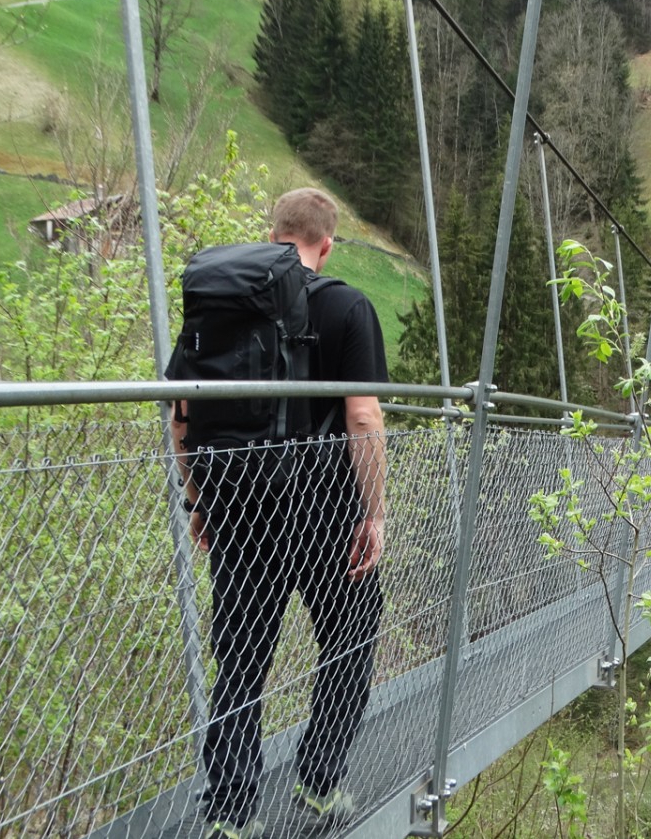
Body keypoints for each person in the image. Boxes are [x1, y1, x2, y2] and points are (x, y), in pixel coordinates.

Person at [173, 188, 389, 839]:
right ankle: (317, 780)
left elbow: (181, 415)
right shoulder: (349, 305)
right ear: (327, 242)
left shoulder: (220, 305)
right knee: (350, 639)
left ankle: (231, 811)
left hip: (242, 507)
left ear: (274, 234)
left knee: (241, 658)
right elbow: (363, 415)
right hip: (328, 515)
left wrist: (199, 499)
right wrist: (375, 513)